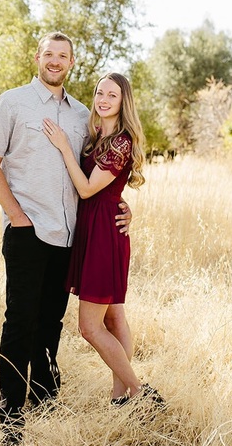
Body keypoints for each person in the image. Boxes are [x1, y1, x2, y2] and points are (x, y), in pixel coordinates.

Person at [0, 32, 132, 446]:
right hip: (28, 231)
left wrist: (123, 207)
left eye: (63, 55)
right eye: (49, 54)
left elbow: (101, 172)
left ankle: (45, 400)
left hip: (70, 238)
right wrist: (16, 216)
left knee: (51, 323)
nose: (55, 61)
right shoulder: (12, 102)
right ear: (38, 57)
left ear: (71, 62)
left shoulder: (83, 115)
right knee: (20, 322)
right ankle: (10, 412)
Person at [42, 72, 165, 409]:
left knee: (89, 327)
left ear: (124, 102)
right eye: (100, 93)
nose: (104, 100)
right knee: (114, 318)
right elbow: (105, 190)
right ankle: (119, 398)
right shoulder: (98, 136)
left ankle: (139, 391)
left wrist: (63, 147)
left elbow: (86, 189)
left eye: (112, 95)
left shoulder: (121, 142)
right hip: (93, 228)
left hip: (103, 236)